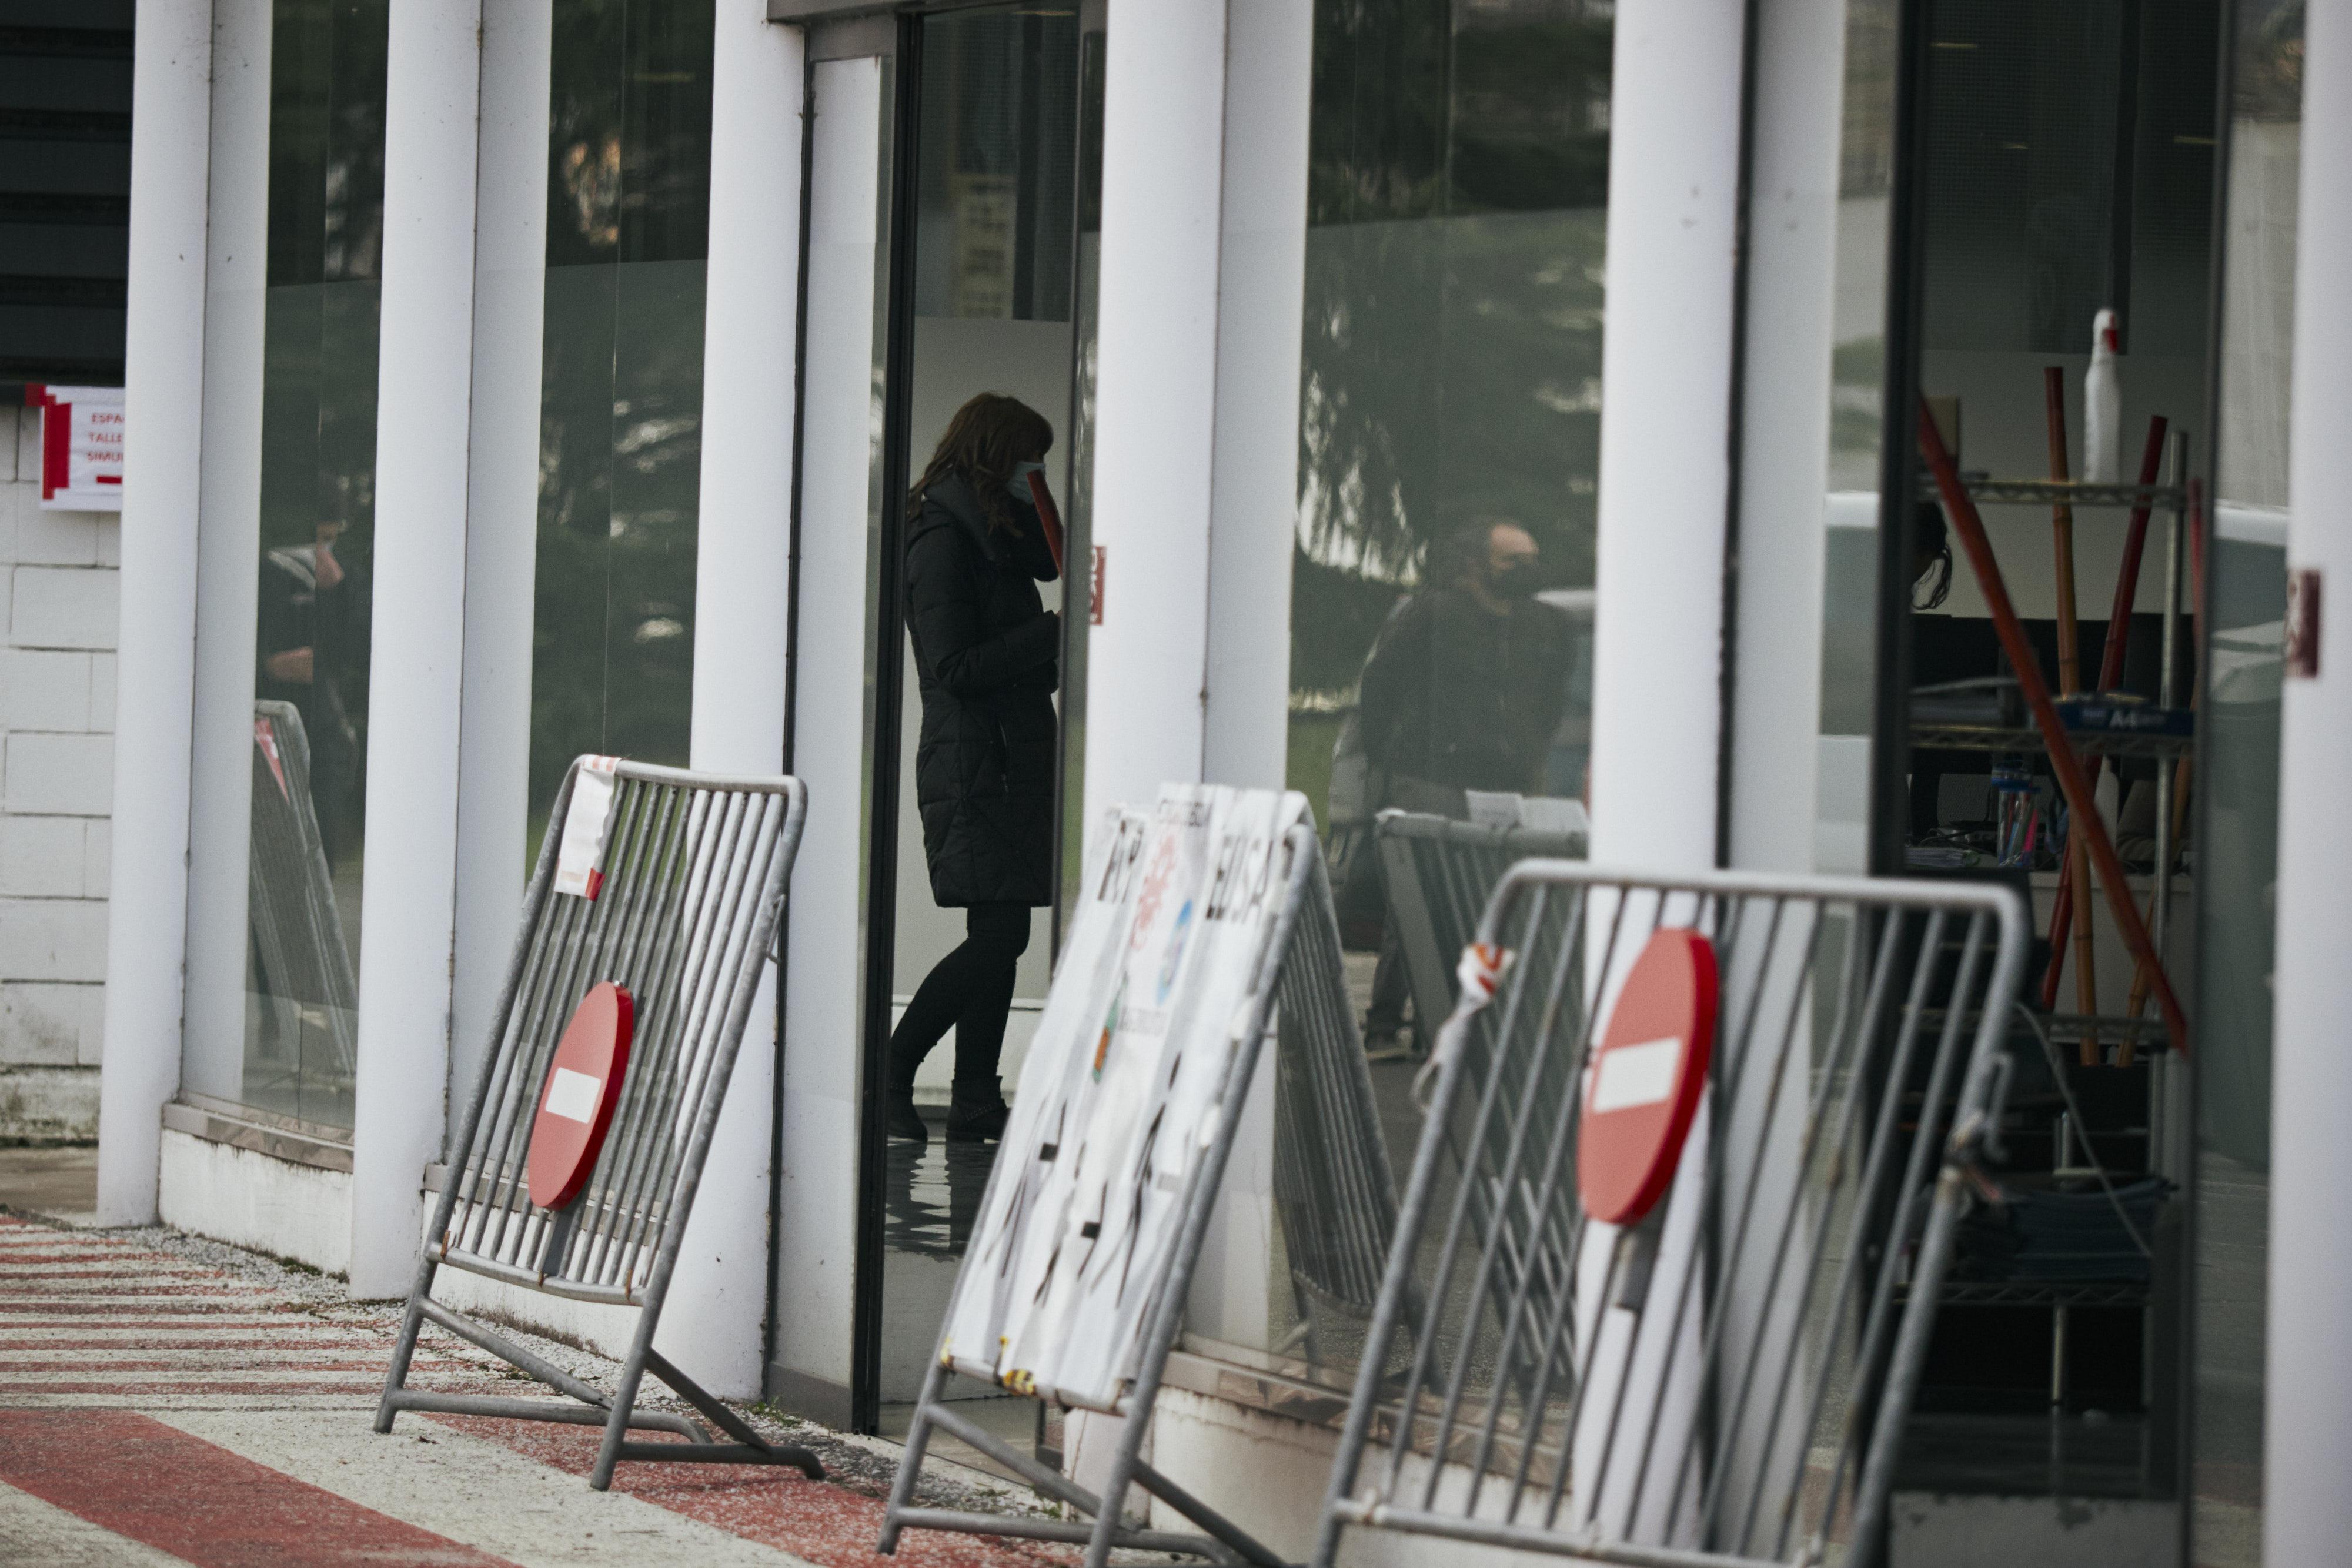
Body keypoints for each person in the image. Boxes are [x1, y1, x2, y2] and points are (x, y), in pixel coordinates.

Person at [885, 394, 1063, 1144]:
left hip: (1005, 757)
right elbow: (952, 663)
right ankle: (891, 1073)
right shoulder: (939, 537)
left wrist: (1042, 511)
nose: (1036, 475)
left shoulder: (984, 534)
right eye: (1029, 461)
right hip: (975, 760)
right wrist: (1047, 637)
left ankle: (975, 1100)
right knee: (998, 937)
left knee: (1005, 929)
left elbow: (1050, 562)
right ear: (995, 456)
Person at [1355, 520, 1576, 1055]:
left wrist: (1528, 752)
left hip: (1503, 784)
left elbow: (1549, 699)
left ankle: (1460, 1023)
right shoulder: (1433, 615)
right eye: (1511, 560)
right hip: (1431, 777)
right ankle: (1387, 1022)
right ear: (1477, 564)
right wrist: (1386, 752)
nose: (1525, 572)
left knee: (1488, 903)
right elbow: (1380, 682)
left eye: (1532, 558)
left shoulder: (1544, 626)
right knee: (1421, 898)